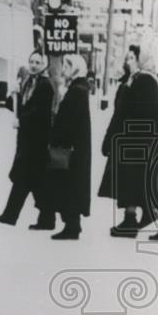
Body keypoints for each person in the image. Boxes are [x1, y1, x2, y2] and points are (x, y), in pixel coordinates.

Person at [98, 45, 158, 240]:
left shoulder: (145, 81)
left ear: (141, 60)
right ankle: (130, 220)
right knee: (132, 183)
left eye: (132, 58)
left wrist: (125, 87)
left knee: (146, 183)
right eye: (128, 58)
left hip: (140, 142)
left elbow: (135, 112)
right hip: (133, 141)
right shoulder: (135, 80)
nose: (128, 61)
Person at [0, 51, 55, 229]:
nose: (34, 65)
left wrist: (22, 120)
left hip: (37, 140)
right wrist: (13, 94)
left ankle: (13, 215)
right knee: (30, 180)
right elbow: (18, 107)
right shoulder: (28, 82)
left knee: (27, 179)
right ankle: (43, 218)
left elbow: (39, 112)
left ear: (44, 65)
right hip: (26, 139)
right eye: (31, 61)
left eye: (37, 62)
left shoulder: (45, 85)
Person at [48, 54, 92, 240]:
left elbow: (68, 121)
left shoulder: (77, 90)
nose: (63, 68)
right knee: (70, 185)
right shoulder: (77, 88)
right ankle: (72, 224)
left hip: (71, 149)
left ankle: (72, 226)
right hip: (75, 148)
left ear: (74, 68)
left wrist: (57, 138)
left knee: (69, 185)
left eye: (66, 65)